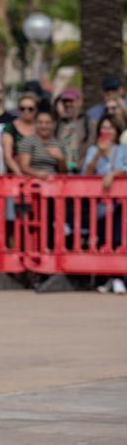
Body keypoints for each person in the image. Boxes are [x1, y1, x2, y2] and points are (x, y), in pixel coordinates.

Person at [83, 114, 126, 294]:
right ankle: (108, 276)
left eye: (110, 128)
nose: (106, 131)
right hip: (99, 204)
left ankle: (117, 276)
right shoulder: (93, 150)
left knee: (117, 238)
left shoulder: (123, 149)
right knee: (102, 240)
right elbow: (86, 173)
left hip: (119, 205)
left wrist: (114, 174)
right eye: (103, 127)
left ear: (116, 131)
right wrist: (98, 156)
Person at [17, 109, 67, 179]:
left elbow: (64, 172)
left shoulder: (59, 143)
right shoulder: (28, 141)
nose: (44, 126)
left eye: (47, 123)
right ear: (35, 123)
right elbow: (24, 167)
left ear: (53, 124)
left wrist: (61, 158)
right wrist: (37, 174)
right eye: (40, 122)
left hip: (54, 182)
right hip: (33, 182)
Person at [54, 87, 92, 172]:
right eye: (65, 101)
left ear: (79, 102)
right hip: (61, 173)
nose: (67, 104)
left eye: (71, 101)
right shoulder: (58, 125)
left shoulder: (89, 124)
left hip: (83, 173)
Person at [1, 93, 39, 175]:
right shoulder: (9, 128)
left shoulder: (41, 128)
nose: (26, 111)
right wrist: (21, 175)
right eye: (22, 108)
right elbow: (7, 157)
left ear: (36, 110)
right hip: (16, 177)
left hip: (39, 175)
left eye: (30, 109)